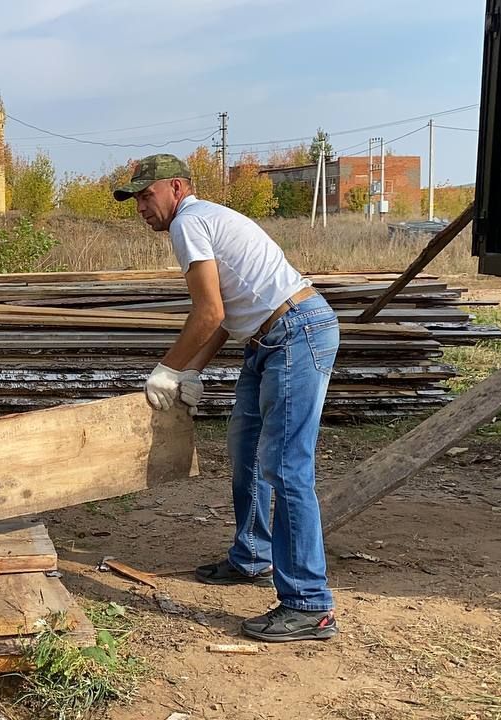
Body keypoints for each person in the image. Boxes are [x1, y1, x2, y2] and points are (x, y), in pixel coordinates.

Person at [114, 154, 340, 642]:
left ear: (176, 187)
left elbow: (208, 311)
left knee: (286, 466)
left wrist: (168, 370)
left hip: (294, 334)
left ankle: (309, 604)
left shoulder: (189, 223)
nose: (140, 208)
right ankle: (252, 555)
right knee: (246, 453)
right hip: (271, 338)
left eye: (146, 196)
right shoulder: (205, 218)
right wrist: (192, 370)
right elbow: (225, 314)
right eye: (135, 200)